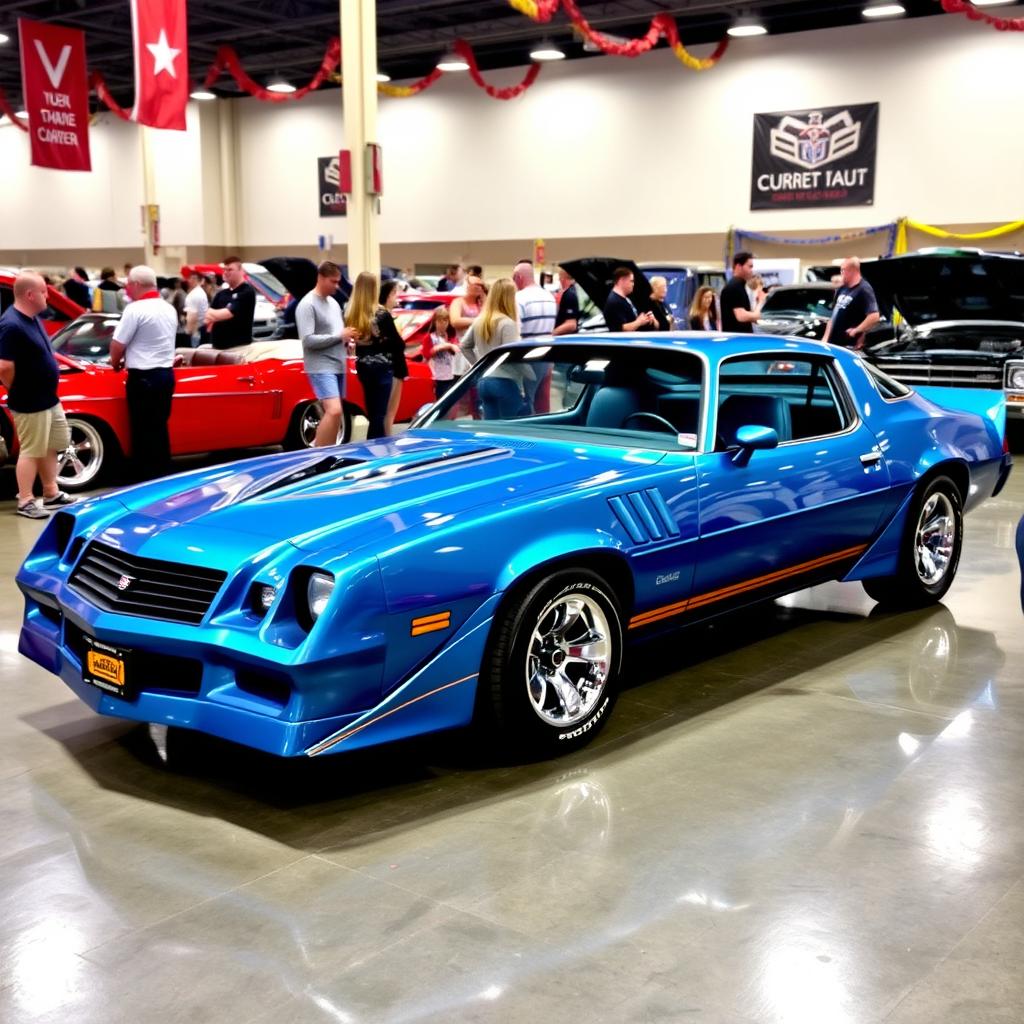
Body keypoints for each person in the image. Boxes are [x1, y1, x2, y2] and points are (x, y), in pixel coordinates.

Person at [0, 272, 76, 518]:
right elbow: (4, 366)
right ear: (30, 295)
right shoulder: (11, 324)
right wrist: (19, 388)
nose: (48, 296)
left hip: (47, 397)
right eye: (44, 291)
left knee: (52, 443)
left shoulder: (31, 318)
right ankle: (25, 500)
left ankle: (51, 492)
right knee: (32, 449)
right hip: (29, 400)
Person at [109, 265, 178, 482]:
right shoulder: (169, 308)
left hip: (143, 378)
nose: (127, 288)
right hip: (166, 376)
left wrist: (115, 363)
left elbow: (117, 344)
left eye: (128, 284)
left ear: (137, 285)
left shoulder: (135, 310)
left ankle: (143, 477)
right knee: (159, 427)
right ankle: (161, 472)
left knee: (142, 430)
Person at [296, 260, 358, 447]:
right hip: (320, 365)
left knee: (335, 415)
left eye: (338, 281)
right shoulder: (307, 305)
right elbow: (308, 340)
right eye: (333, 281)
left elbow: (337, 334)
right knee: (334, 411)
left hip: (338, 363)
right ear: (321, 278)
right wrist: (339, 336)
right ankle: (317, 454)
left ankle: (327, 453)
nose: (337, 286)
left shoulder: (333, 303)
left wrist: (346, 342)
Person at [347, 271, 407, 439]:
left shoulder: (351, 313)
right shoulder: (381, 314)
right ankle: (376, 451)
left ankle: (371, 448)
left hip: (363, 366)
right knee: (380, 415)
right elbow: (398, 344)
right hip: (382, 366)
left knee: (372, 413)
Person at [460, 278, 531, 419]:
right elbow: (513, 357)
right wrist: (531, 374)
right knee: (508, 432)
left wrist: (479, 366)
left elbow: (464, 346)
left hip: (484, 383)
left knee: (491, 430)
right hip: (505, 383)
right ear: (508, 298)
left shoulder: (480, 321)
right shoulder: (507, 324)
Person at [512, 260, 556, 412]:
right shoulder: (549, 296)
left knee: (526, 398)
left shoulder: (519, 298)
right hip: (548, 354)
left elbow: (516, 331)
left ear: (518, 277)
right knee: (542, 397)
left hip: (527, 355)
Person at [822, 257, 881, 349]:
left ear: (852, 271)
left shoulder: (864, 289)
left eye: (843, 270)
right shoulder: (841, 289)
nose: (841, 274)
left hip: (849, 346)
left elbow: (874, 316)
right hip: (832, 344)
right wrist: (825, 340)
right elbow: (833, 317)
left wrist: (857, 330)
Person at [205, 256, 256, 349]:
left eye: (230, 270)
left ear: (241, 271)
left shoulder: (246, 291)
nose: (226, 273)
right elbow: (207, 317)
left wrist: (215, 315)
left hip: (238, 347)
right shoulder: (221, 293)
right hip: (218, 346)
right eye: (225, 270)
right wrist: (215, 314)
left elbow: (228, 314)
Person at [379, 279, 407, 435]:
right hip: (393, 366)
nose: (397, 296)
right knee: (389, 411)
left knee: (389, 411)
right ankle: (387, 440)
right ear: (389, 295)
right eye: (395, 293)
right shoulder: (384, 316)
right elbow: (398, 343)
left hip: (394, 365)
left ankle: (387, 437)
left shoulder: (388, 315)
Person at [421, 305, 460, 400]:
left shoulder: (451, 336)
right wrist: (437, 348)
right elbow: (426, 355)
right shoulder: (429, 338)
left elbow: (457, 350)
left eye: (445, 321)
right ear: (434, 322)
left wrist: (449, 346)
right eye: (439, 321)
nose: (442, 324)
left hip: (452, 375)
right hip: (437, 377)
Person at [719, 252, 763, 334]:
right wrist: (760, 304)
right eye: (750, 267)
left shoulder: (739, 286)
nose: (751, 270)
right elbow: (742, 316)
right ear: (739, 266)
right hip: (737, 341)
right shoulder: (734, 287)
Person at [604, 267, 656, 333]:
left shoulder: (625, 298)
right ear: (622, 281)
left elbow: (631, 320)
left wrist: (645, 319)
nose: (633, 284)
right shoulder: (614, 302)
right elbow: (621, 329)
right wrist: (639, 322)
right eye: (631, 281)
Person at [552, 267, 581, 336]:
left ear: (563, 278)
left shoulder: (569, 294)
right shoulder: (576, 291)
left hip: (566, 339)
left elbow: (571, 325)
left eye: (559, 277)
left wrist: (552, 334)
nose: (559, 280)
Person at [183, 271, 209, 346]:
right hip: (202, 328)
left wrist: (188, 332)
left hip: (196, 331)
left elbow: (192, 317)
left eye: (190, 278)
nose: (189, 280)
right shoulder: (200, 292)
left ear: (194, 279)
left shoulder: (194, 295)